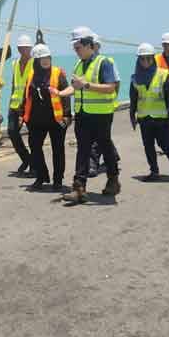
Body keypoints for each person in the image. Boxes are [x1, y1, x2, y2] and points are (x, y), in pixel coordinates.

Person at [60, 27, 121, 204]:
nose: (76, 51)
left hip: (101, 115)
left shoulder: (104, 62)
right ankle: (79, 187)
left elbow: (110, 87)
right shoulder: (79, 64)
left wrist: (86, 85)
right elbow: (75, 86)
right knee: (83, 150)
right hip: (83, 114)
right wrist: (60, 93)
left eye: (78, 47)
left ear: (89, 45)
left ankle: (113, 179)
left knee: (106, 147)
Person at [21, 43, 72, 191]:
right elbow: (27, 96)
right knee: (35, 147)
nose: (45, 60)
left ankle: (58, 180)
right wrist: (21, 114)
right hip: (36, 120)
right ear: (36, 61)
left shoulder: (58, 73)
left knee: (58, 150)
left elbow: (65, 95)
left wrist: (67, 116)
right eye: (42, 58)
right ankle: (41, 176)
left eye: (48, 57)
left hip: (56, 120)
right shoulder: (31, 76)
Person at [128, 43, 169, 180]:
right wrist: (132, 116)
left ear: (153, 59)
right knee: (148, 146)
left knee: (166, 145)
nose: (145, 62)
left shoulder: (163, 75)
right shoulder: (135, 78)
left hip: (161, 118)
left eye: (148, 59)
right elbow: (133, 100)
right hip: (144, 118)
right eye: (142, 59)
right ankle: (154, 171)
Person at [88, 39, 121, 177]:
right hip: (91, 109)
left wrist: (113, 99)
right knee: (102, 137)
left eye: (94, 45)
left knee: (98, 139)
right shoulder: (86, 63)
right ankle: (113, 157)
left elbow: (116, 83)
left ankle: (93, 165)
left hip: (105, 107)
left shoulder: (107, 61)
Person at [7, 34, 36, 176]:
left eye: (26, 48)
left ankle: (35, 166)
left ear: (30, 48)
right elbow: (14, 84)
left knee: (33, 136)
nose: (23, 50)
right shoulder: (15, 63)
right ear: (18, 49)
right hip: (15, 104)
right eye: (21, 48)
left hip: (30, 105)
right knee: (12, 132)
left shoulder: (35, 63)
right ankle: (26, 159)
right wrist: (11, 103)